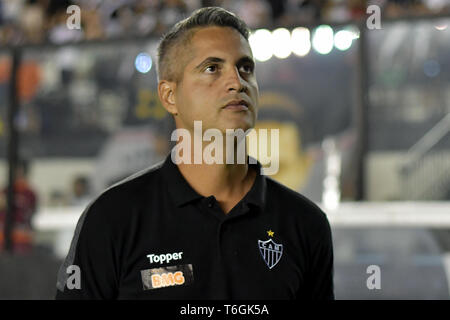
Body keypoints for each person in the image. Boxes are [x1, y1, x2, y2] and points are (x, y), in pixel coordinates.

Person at [55, 7, 334, 300]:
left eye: (246, 68)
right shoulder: (112, 219)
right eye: (212, 68)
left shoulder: (305, 223)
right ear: (169, 96)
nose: (237, 83)